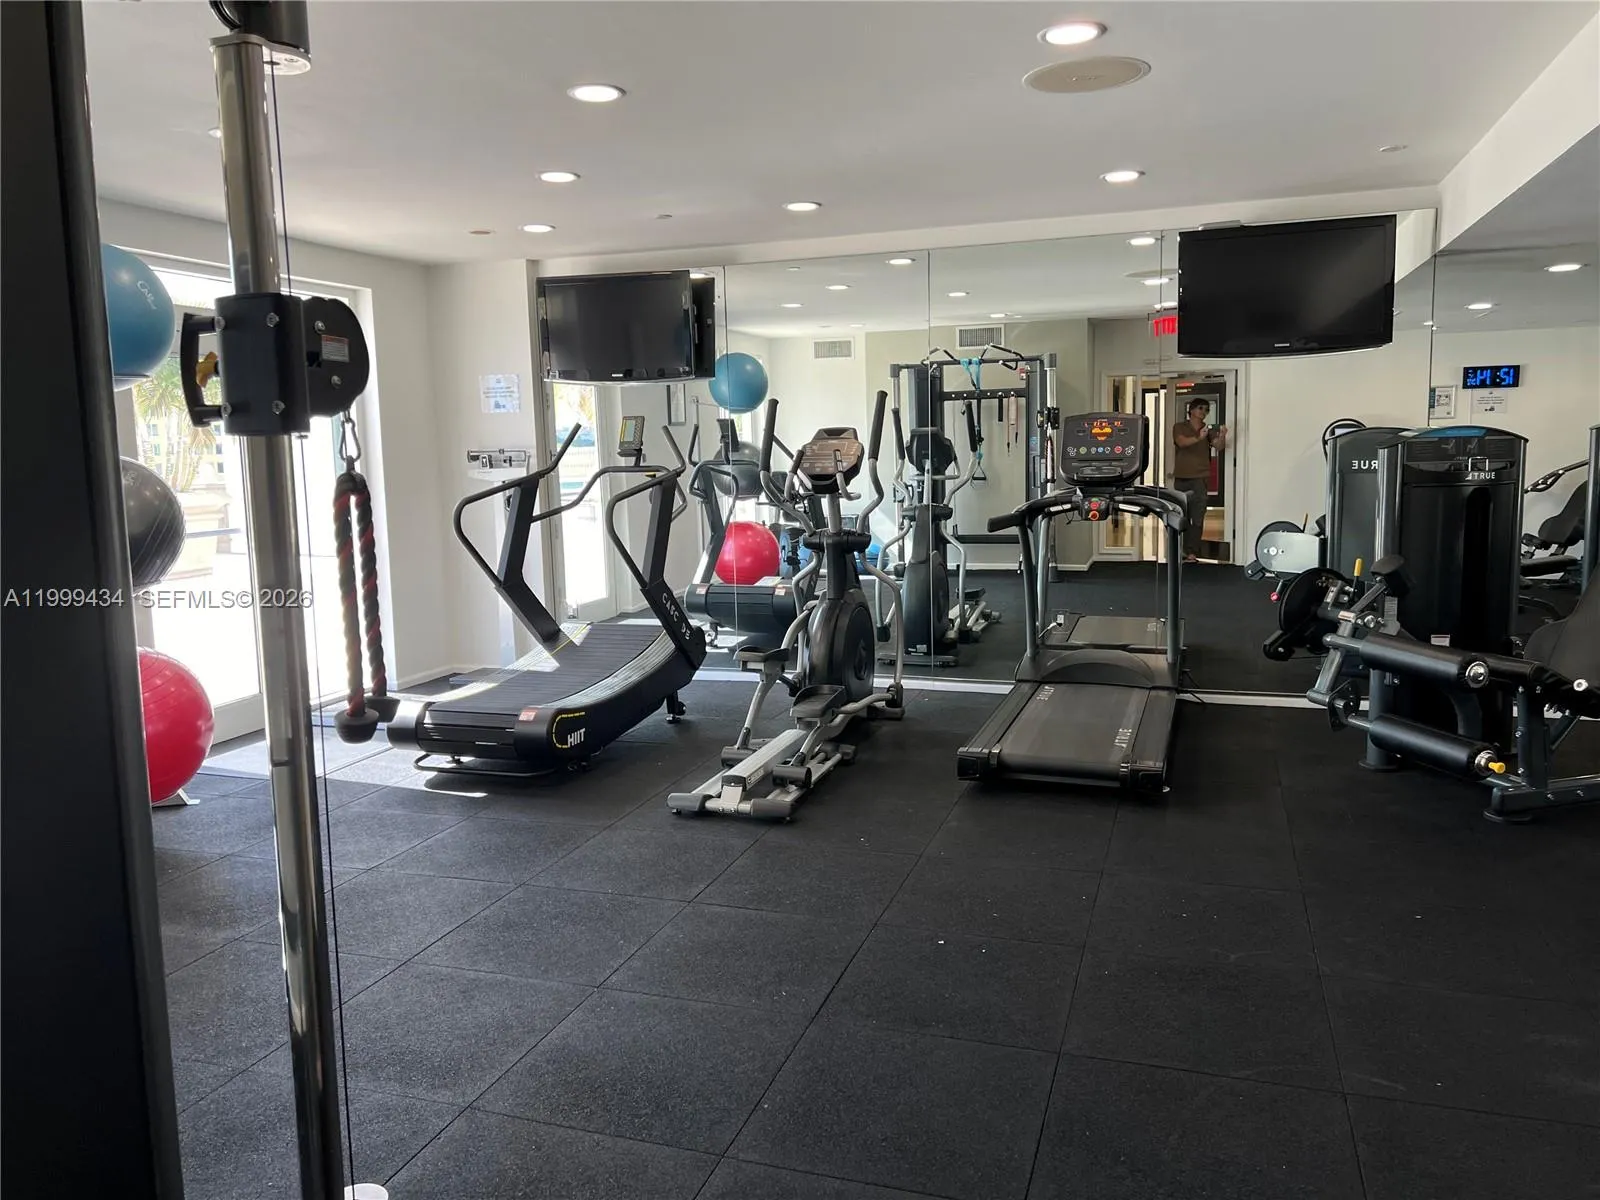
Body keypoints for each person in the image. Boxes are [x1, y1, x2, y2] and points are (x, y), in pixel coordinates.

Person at [1171, 399, 1227, 562]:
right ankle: (1179, 549)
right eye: (1201, 408)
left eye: (1207, 410)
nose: (1204, 412)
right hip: (1182, 478)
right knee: (1181, 515)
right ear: (1192, 410)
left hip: (1200, 479)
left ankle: (1192, 552)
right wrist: (1198, 437)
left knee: (1198, 516)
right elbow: (1181, 442)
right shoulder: (1179, 427)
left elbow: (1219, 446)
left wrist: (1222, 435)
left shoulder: (1208, 430)